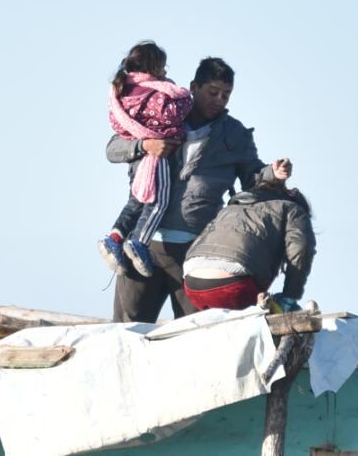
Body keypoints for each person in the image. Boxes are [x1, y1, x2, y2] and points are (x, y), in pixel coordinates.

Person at [105, 57, 289, 323]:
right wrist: (145, 146)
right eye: (213, 92)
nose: (219, 100)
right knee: (127, 330)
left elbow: (252, 177)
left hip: (197, 254)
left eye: (226, 95)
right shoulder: (161, 114)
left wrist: (273, 173)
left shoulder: (235, 134)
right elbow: (112, 149)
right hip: (142, 246)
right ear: (194, 87)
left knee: (197, 334)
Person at [98, 42, 193, 278]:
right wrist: (182, 96)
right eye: (163, 66)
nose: (166, 71)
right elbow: (169, 115)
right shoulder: (149, 92)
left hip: (137, 162)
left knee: (136, 201)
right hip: (155, 157)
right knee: (157, 201)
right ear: (154, 67)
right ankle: (138, 242)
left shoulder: (125, 91)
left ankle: (115, 238)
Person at [182, 173, 314, 311]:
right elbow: (301, 250)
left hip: (191, 285)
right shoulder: (293, 209)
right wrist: (290, 297)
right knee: (275, 309)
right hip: (234, 288)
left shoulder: (230, 209)